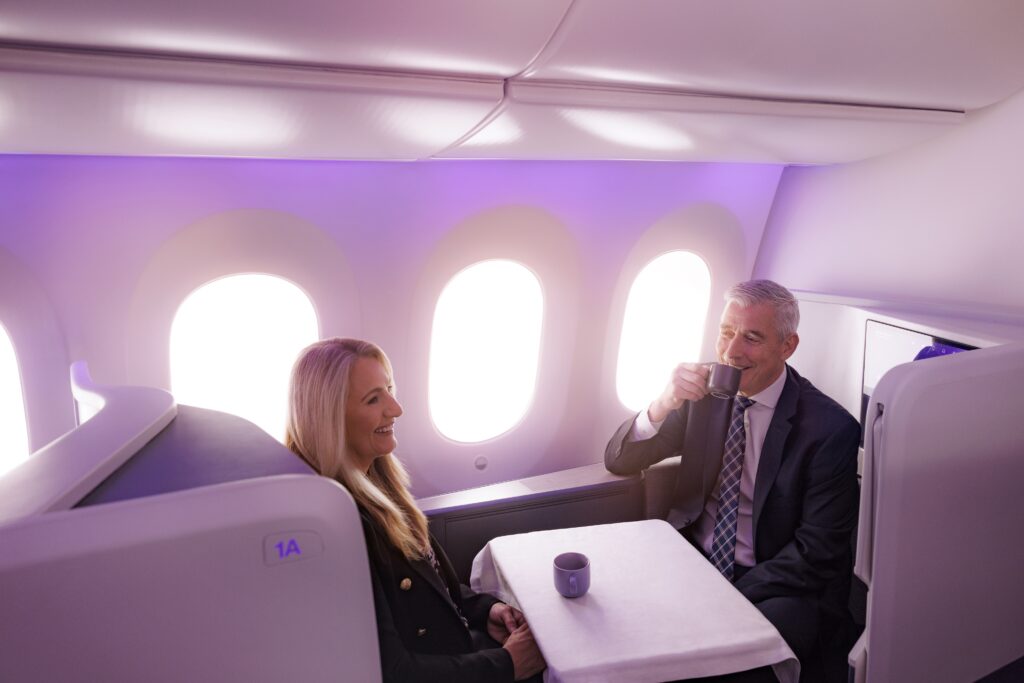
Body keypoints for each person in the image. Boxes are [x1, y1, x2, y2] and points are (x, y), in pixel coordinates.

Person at [605, 280, 860, 674]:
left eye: (752, 338)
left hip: (777, 582)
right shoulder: (703, 395)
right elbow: (620, 460)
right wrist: (662, 403)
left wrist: (722, 595)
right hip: (691, 556)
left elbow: (817, 552)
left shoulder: (830, 429)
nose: (730, 351)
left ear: (788, 346)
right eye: (726, 332)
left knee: (727, 661)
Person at [286, 338, 546, 683]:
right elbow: (393, 673)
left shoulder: (377, 483)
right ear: (330, 418)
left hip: (460, 652)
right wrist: (507, 665)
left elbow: (428, 588)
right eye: (373, 399)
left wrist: (486, 612)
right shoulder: (341, 527)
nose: (395, 408)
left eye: (389, 390)